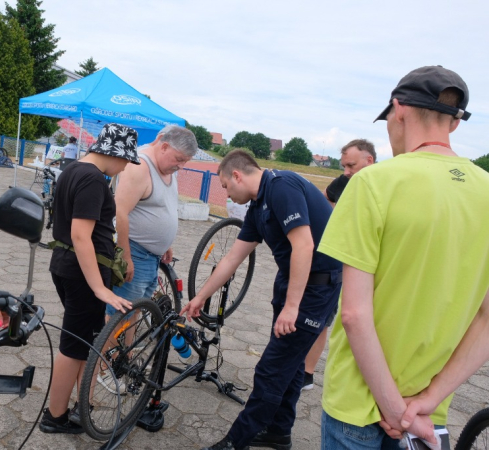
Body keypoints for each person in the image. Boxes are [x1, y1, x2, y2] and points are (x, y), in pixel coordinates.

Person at [318, 65, 489, 448]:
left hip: (357, 403)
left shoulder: (372, 182)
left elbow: (354, 314)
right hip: (427, 410)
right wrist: (426, 401)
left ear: (398, 109)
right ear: (454, 123)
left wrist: (392, 407)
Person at [181, 150, 342, 450]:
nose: (226, 195)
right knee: (290, 366)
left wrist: (292, 307)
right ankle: (279, 432)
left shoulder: (282, 186)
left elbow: (304, 245)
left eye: (226, 187)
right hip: (291, 281)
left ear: (238, 176)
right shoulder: (257, 206)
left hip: (315, 287)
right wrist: (200, 297)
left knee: (270, 369)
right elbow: (232, 259)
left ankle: (234, 442)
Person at [40, 123, 139, 434]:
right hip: (84, 272)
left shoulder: (72, 169)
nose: (125, 167)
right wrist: (100, 289)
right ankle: (55, 417)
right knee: (73, 345)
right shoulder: (94, 179)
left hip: (66, 265)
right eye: (125, 160)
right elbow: (81, 235)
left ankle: (83, 407)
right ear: (113, 153)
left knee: (83, 341)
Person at [96, 124, 197, 394]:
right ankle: (107, 366)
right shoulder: (140, 166)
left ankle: (124, 359)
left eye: (184, 162)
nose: (180, 167)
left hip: (152, 254)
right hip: (136, 252)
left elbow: (163, 205)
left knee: (136, 309)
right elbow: (120, 213)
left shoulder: (165, 167)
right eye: (178, 160)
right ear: (163, 146)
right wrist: (126, 255)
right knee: (119, 312)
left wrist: (166, 241)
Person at [303, 138, 375, 390]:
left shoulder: (383, 185)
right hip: (338, 261)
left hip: (370, 264)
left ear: (370, 161)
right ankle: (307, 374)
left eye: (351, 165)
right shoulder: (344, 181)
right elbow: (324, 200)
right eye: (344, 166)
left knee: (362, 319)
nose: (346, 172)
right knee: (325, 315)